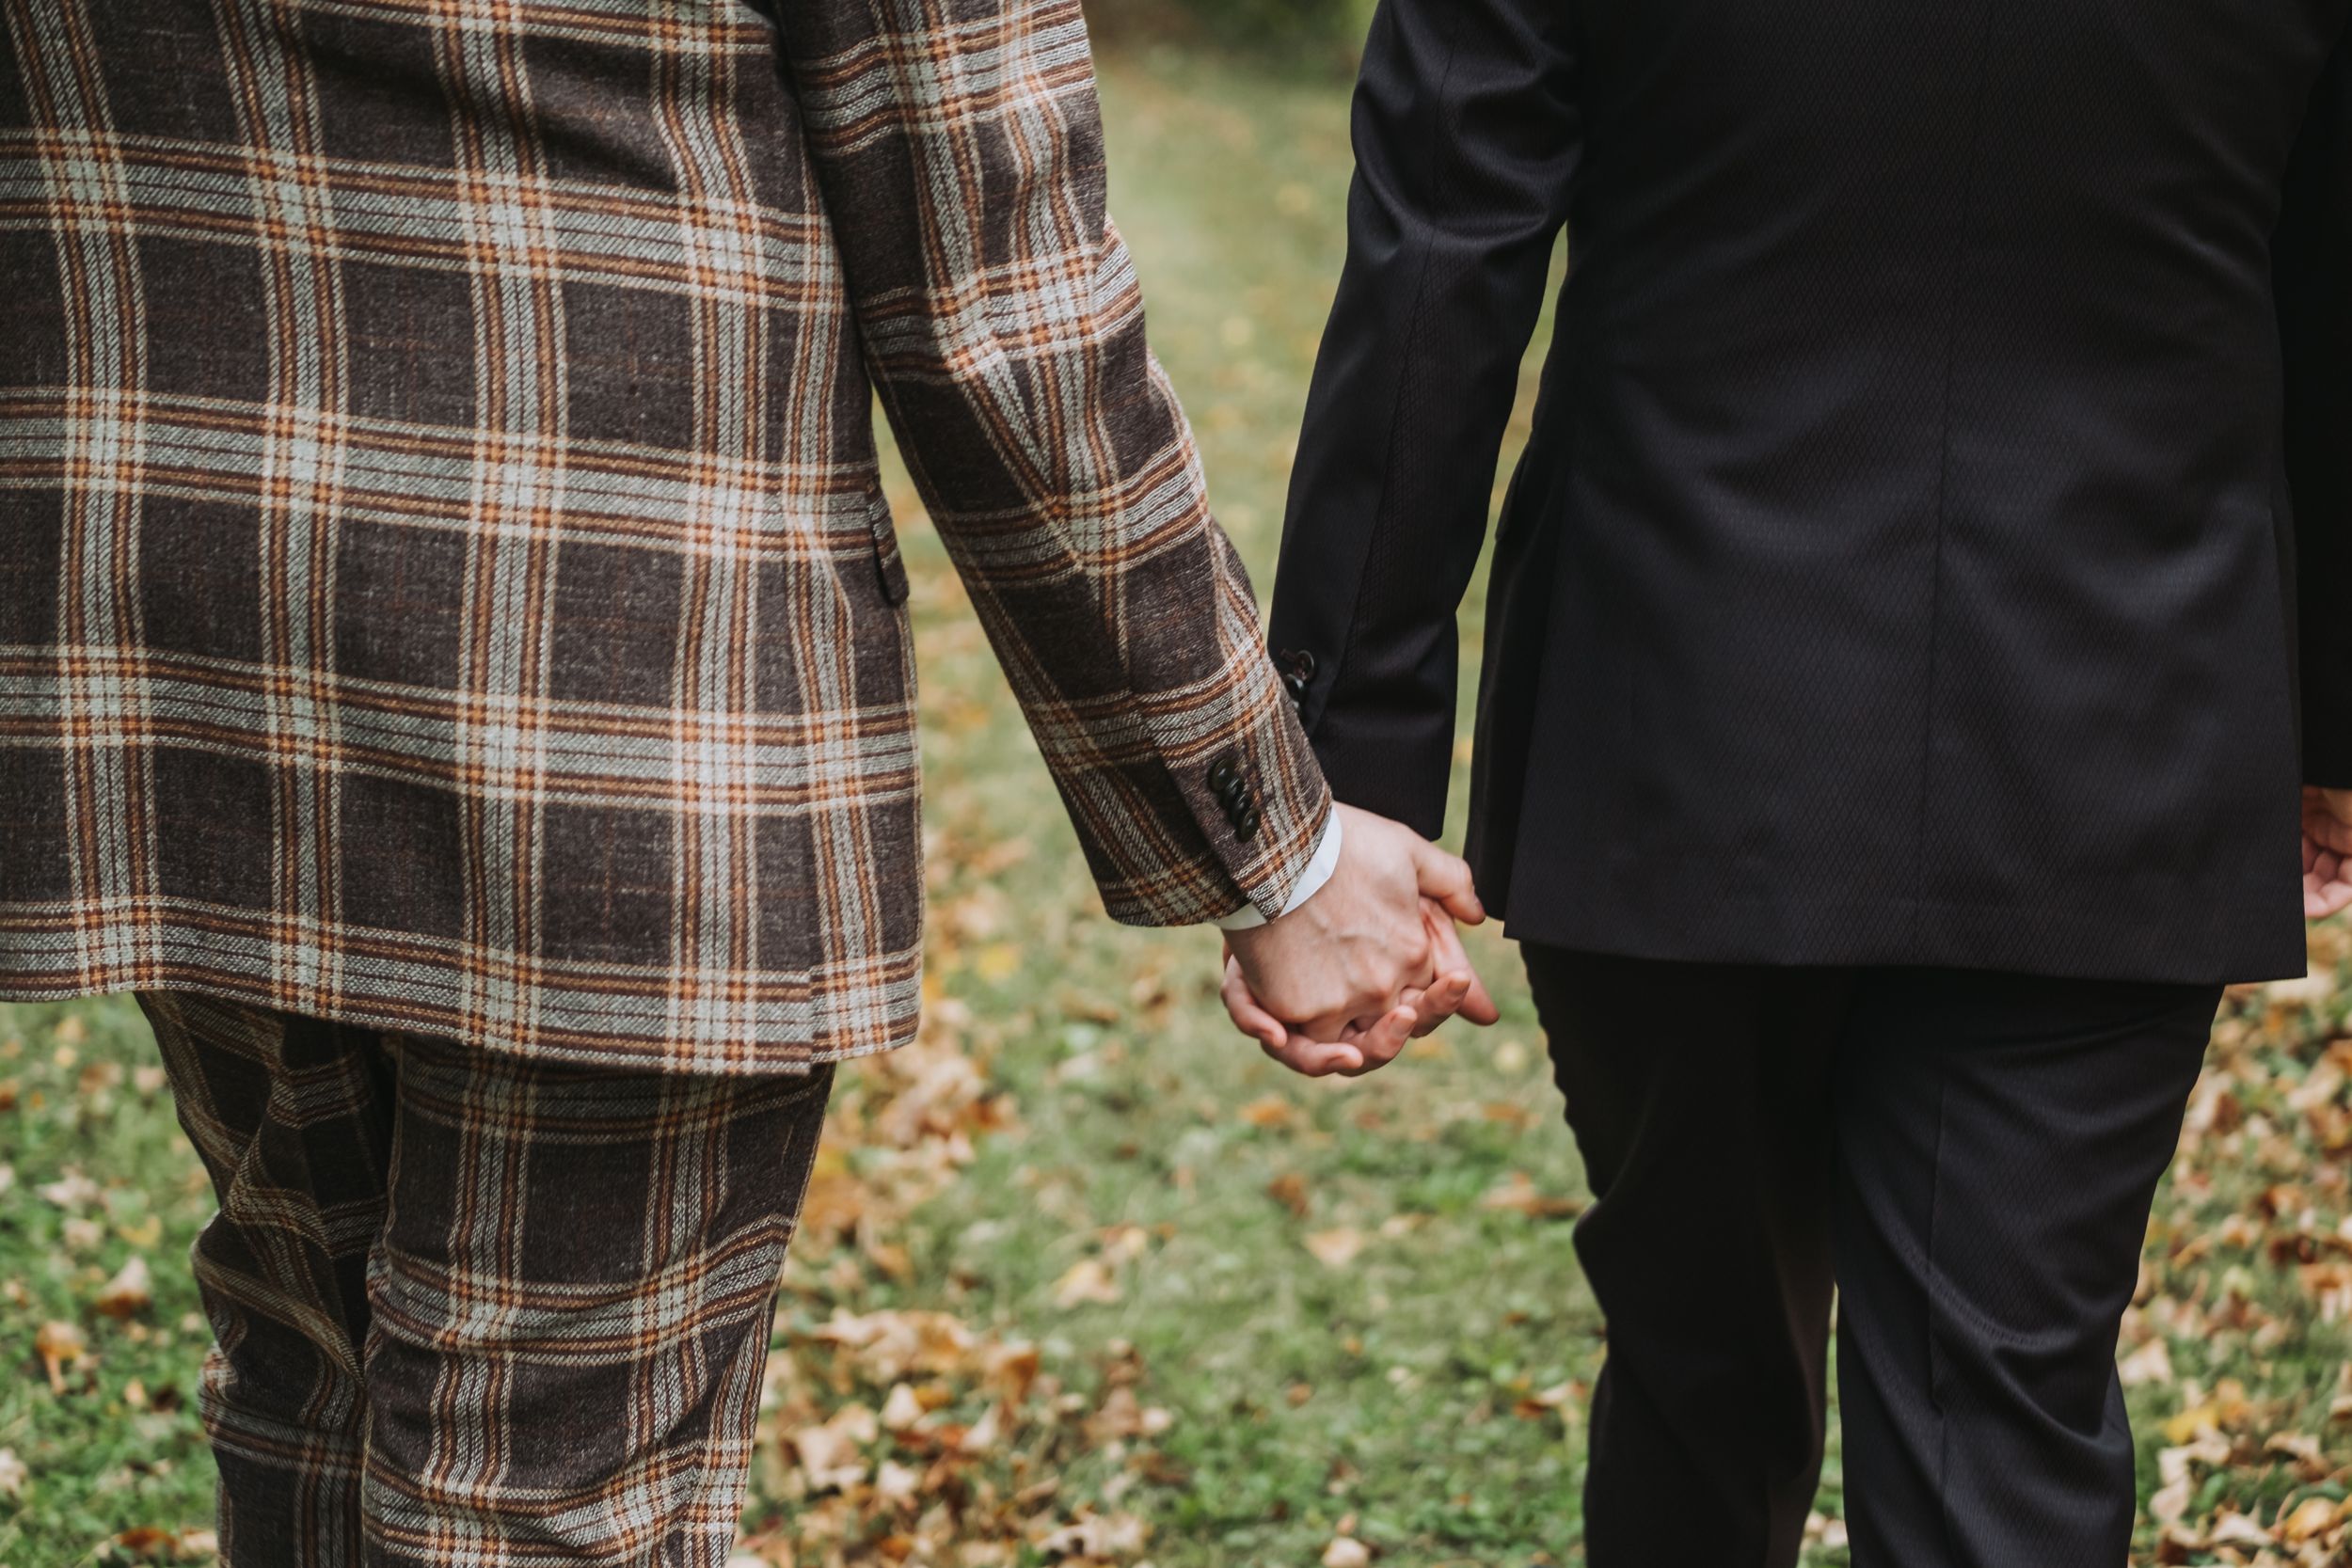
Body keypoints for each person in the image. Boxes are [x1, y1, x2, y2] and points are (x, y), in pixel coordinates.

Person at [0, 0, 1484, 1560]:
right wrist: (1275, 848)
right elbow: (1003, 312)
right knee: (555, 1498)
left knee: (311, 1385)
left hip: (173, 663)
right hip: (620, 708)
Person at [1222, 0, 2352, 1561]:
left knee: (1701, 1366)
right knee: (2005, 1405)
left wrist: (1347, 779)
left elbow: (1438, 258)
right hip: (2123, 709)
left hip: (1676, 702)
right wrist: (2330, 722)